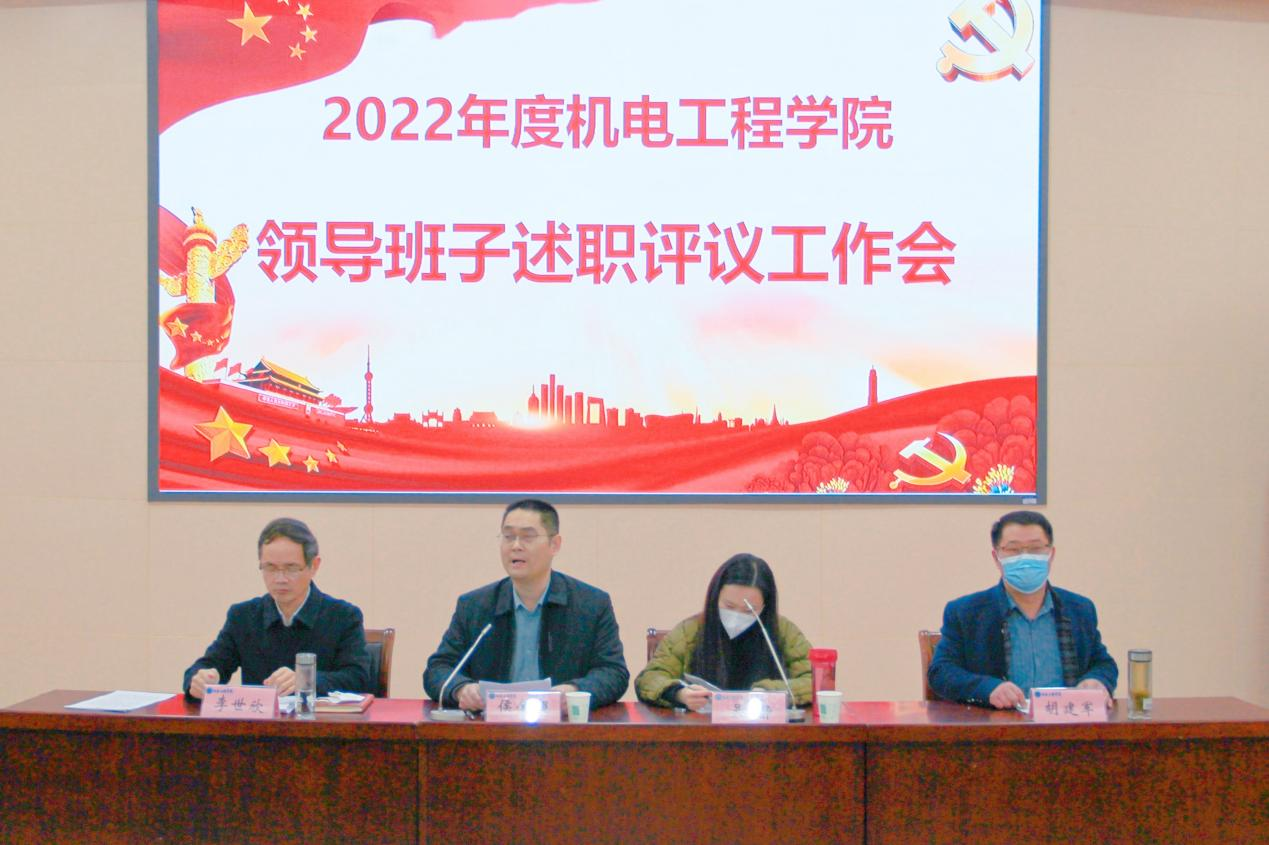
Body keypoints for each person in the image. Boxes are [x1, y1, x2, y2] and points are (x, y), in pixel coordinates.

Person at [423, 499, 629, 711]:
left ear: (554, 544)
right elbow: (438, 669)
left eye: (527, 537)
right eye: (508, 536)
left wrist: (574, 691)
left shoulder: (591, 605)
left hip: (562, 725)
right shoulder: (475, 606)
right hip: (491, 725)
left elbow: (613, 672)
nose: (515, 546)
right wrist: (461, 689)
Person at [928, 510, 1117, 708]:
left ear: (1051, 554)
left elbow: (1103, 663)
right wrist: (987, 688)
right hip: (998, 722)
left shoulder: (1079, 609)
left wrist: (1097, 680)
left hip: (1066, 720)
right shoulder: (966, 612)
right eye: (1013, 549)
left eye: (1036, 548)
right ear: (996, 557)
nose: (1025, 558)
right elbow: (941, 672)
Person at [183, 517, 372, 699]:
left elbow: (358, 679)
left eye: (291, 568)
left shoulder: (343, 616)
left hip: (319, 720)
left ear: (314, 566)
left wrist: (307, 680)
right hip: (259, 720)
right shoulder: (243, 616)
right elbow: (211, 664)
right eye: (270, 568)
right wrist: (200, 680)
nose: (280, 579)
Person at [635, 553, 812, 711]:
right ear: (715, 597)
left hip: (767, 730)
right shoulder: (690, 631)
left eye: (749, 610)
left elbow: (814, 681)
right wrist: (679, 694)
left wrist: (769, 693)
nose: (736, 617)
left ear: (765, 607)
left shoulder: (784, 632)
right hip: (701, 729)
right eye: (729, 606)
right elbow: (650, 678)